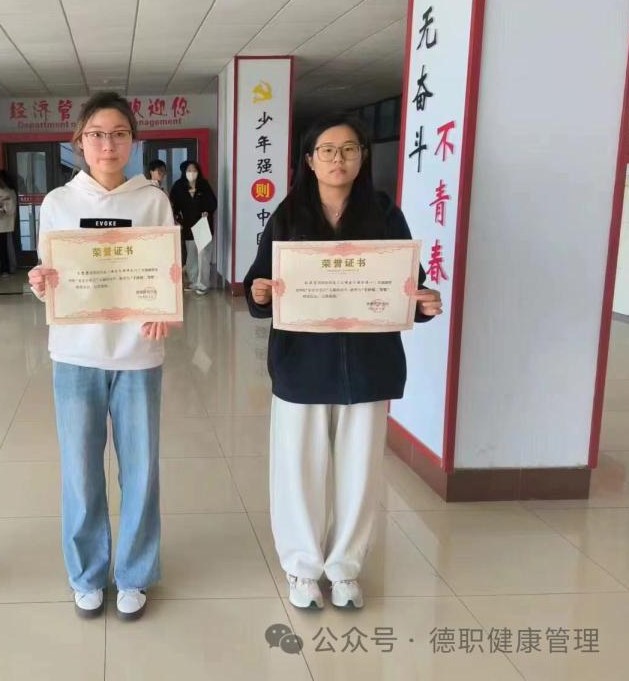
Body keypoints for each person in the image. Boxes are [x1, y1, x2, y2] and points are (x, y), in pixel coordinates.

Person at [244, 113, 442, 611]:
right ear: (310, 161)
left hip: (367, 365)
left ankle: (346, 568)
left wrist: (424, 302)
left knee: (360, 470)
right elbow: (258, 282)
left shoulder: (384, 214)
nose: (339, 159)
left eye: (350, 149)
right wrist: (260, 293)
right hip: (302, 364)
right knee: (298, 468)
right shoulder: (288, 215)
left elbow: (409, 284)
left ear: (362, 158)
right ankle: (302, 567)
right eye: (327, 150)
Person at [28, 92, 175, 622]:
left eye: (118, 134)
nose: (107, 144)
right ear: (79, 142)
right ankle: (87, 573)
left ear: (132, 141)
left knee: (140, 469)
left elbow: (166, 273)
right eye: (96, 134)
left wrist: (166, 308)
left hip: (138, 353)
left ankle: (134, 572)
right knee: (80, 470)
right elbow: (49, 276)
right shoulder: (58, 203)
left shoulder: (153, 201)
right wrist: (40, 283)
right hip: (76, 353)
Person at [169, 160, 216, 295]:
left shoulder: (203, 184)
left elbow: (213, 202)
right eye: (189, 170)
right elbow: (173, 205)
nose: (192, 173)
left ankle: (203, 284)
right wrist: (177, 219)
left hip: (203, 225)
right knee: (191, 256)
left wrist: (207, 210)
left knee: (203, 255)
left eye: (194, 170)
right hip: (188, 225)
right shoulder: (178, 186)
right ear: (184, 172)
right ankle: (193, 281)